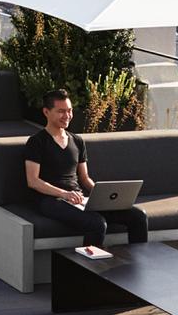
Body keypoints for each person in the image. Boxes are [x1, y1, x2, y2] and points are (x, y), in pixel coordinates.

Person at [24, 88, 147, 249]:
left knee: (138, 216)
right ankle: (89, 271)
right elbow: (33, 181)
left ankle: (137, 265)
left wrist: (103, 194)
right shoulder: (36, 142)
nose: (67, 116)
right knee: (96, 223)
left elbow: (84, 178)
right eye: (61, 111)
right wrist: (64, 194)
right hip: (51, 201)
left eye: (69, 111)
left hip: (78, 198)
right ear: (46, 112)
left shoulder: (77, 141)